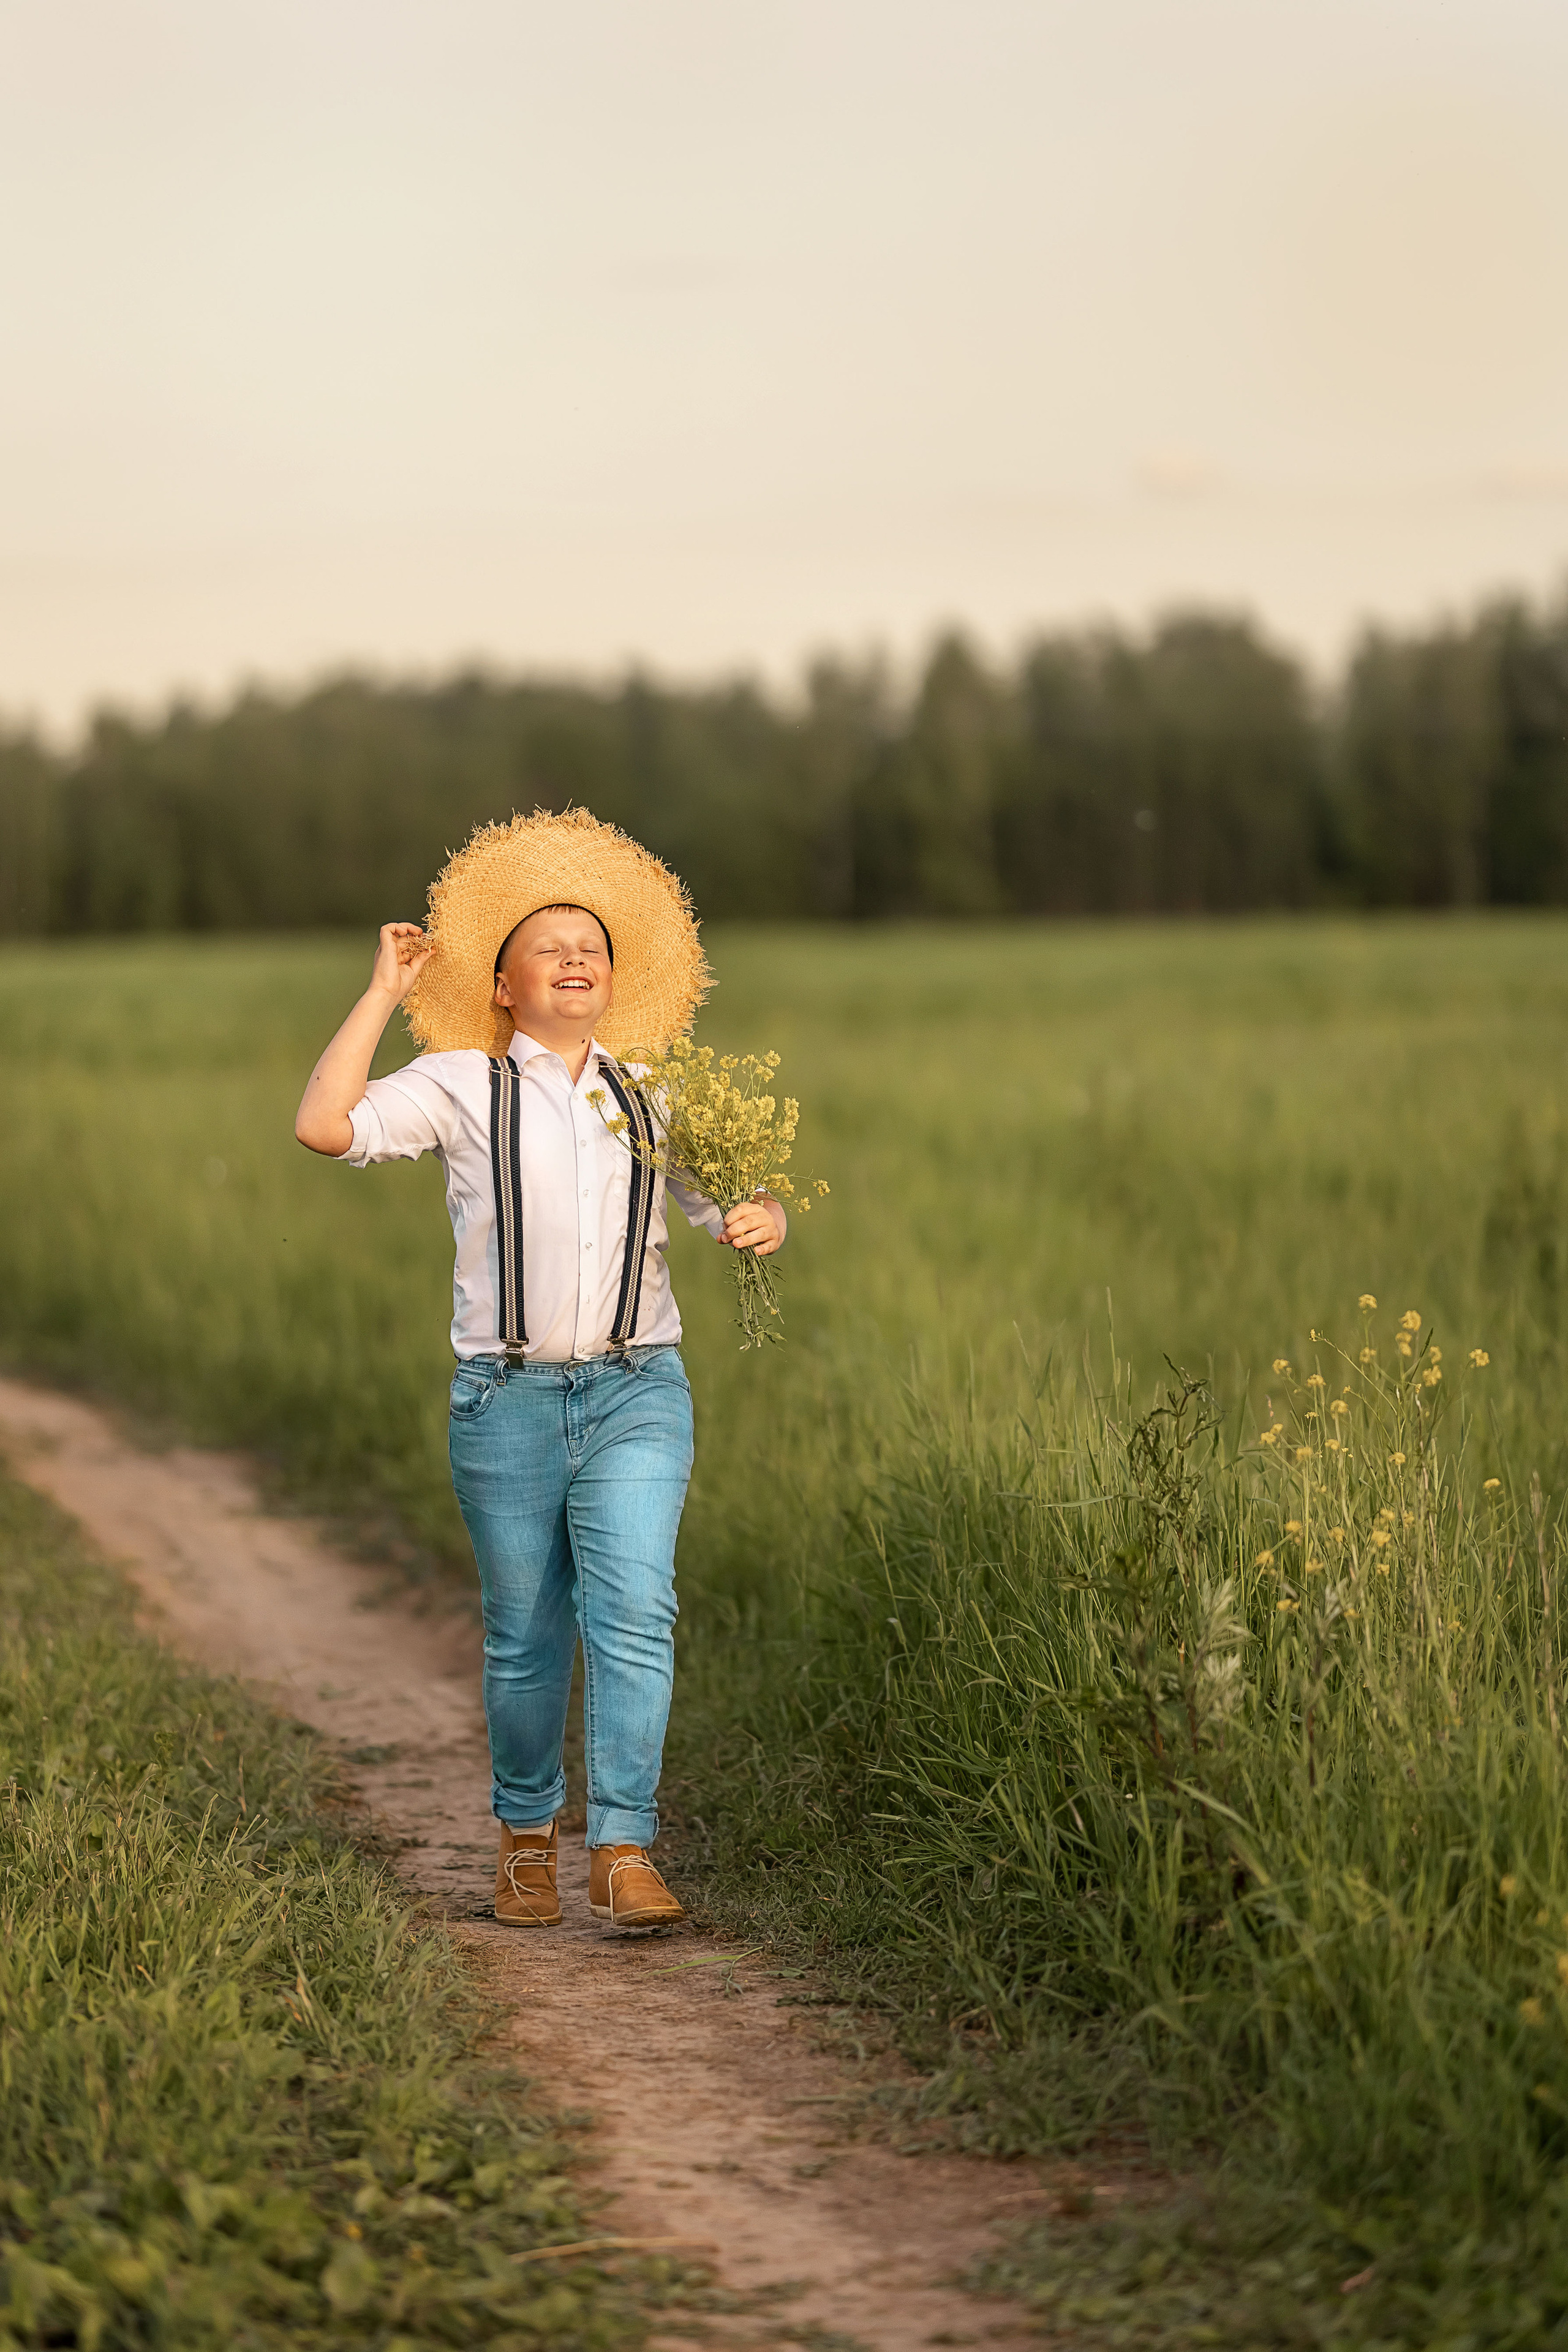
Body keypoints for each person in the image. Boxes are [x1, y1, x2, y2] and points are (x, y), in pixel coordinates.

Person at [293, 809, 785, 1931]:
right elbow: (324, 1125)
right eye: (549, 945)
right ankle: (525, 1836)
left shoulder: (655, 1093)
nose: (576, 957)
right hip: (504, 1399)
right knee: (525, 1631)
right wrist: (381, 992)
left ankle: (622, 1847)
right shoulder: (459, 1081)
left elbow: (732, 1204)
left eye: (593, 947)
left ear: (613, 980)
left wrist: (766, 1219)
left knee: (637, 1610)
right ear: (504, 983)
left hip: (636, 1389)